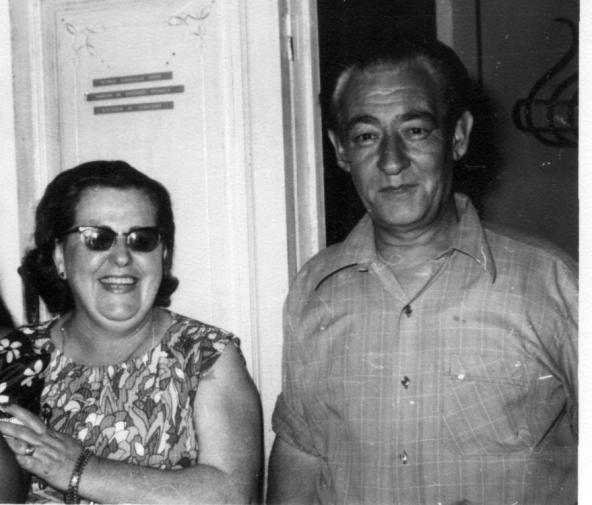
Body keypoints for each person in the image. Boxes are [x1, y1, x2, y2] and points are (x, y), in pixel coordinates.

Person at [267, 38, 577, 505]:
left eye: (415, 130)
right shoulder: (314, 288)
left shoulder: (553, 284)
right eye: (366, 136)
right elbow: (301, 451)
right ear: (340, 149)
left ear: (458, 136)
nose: (392, 162)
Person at [0, 160, 262, 503]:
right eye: (97, 238)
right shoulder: (15, 355)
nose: (122, 257)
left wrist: (80, 470)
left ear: (163, 255)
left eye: (142, 239)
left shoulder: (205, 355)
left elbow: (232, 495)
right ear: (60, 256)